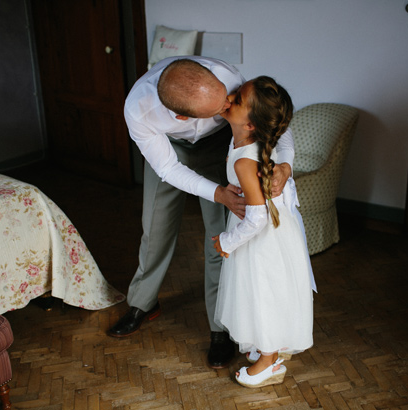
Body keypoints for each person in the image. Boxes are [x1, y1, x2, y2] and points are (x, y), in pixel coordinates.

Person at [109, 56, 296, 371]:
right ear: (181, 116)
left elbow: (272, 116)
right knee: (154, 230)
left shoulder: (227, 78)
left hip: (220, 148)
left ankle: (219, 327)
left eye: (229, 99)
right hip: (168, 150)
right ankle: (142, 303)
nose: (228, 104)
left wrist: (287, 163)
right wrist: (216, 192)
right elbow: (168, 168)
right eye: (221, 108)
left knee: (220, 241)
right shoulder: (138, 111)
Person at [210, 76, 316, 388]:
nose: (230, 97)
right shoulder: (247, 144)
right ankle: (267, 348)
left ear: (252, 124)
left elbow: (256, 217)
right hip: (274, 230)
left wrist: (227, 242)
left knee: (264, 294)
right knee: (262, 292)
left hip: (263, 237)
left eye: (238, 99)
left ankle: (269, 361)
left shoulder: (246, 158)